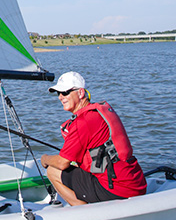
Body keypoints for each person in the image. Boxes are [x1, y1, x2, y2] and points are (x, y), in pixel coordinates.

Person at [41, 71, 146, 206]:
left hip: (116, 190)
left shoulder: (82, 122)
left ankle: (83, 212)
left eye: (65, 92)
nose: (61, 97)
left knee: (52, 170)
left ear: (80, 93)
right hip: (136, 183)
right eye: (58, 93)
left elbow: (62, 162)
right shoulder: (97, 112)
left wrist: (45, 159)